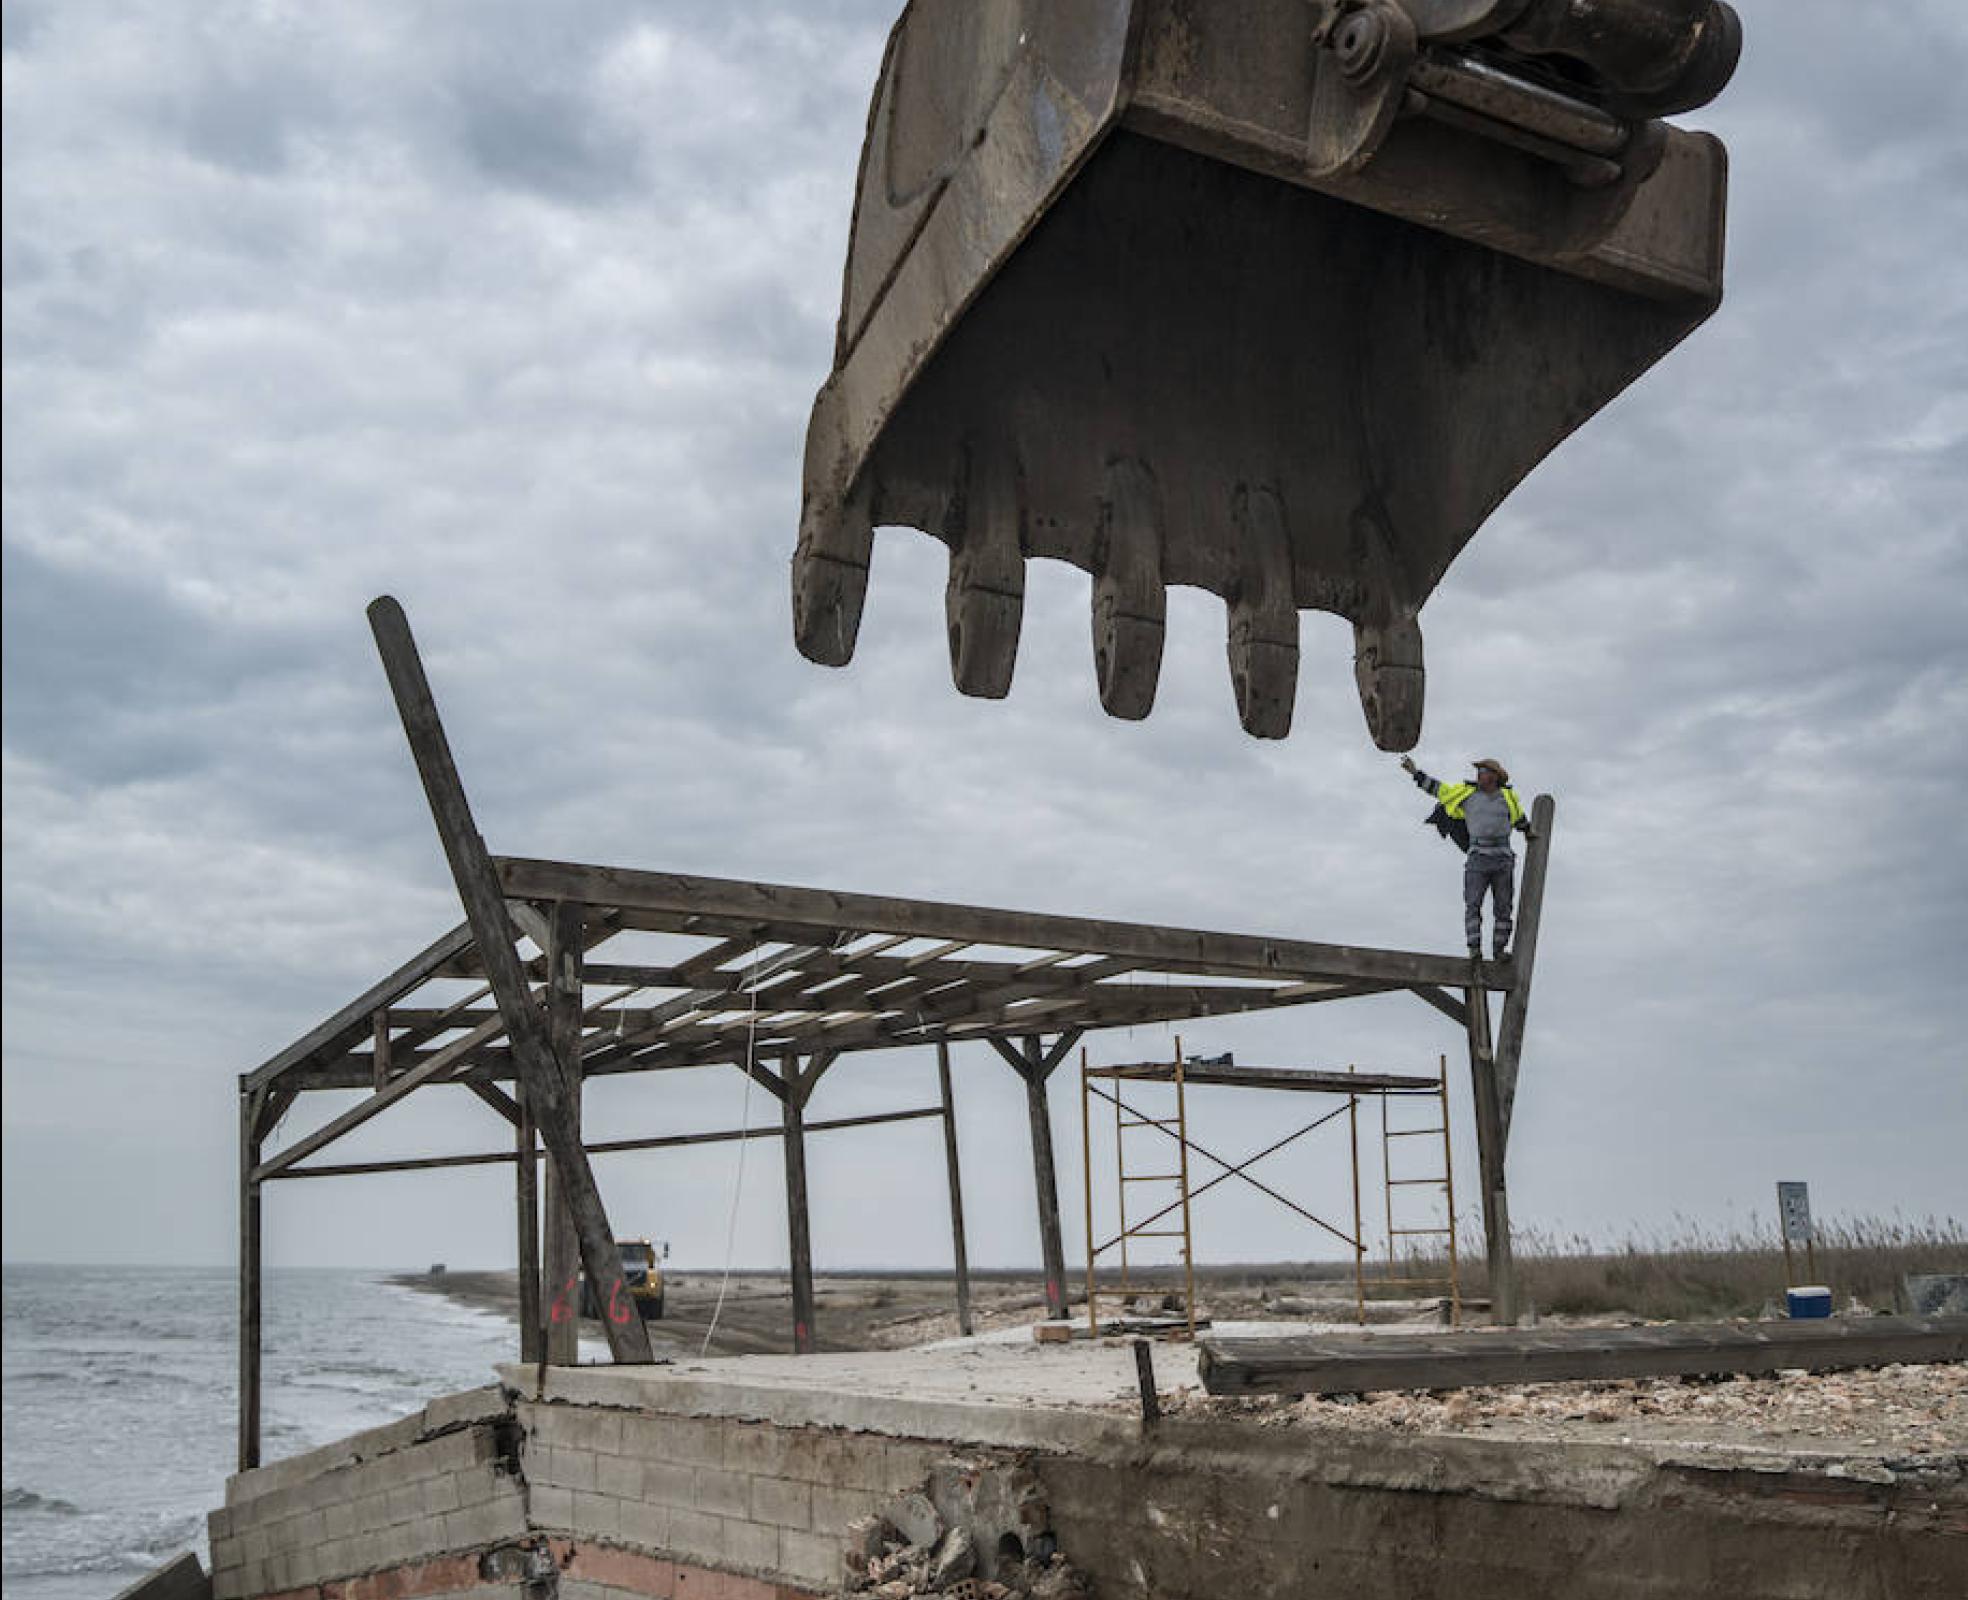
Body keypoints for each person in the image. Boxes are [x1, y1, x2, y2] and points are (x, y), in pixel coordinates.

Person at [1400, 755, 1536, 959]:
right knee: (1473, 903)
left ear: (1494, 776)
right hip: (1478, 858)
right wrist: (1415, 772)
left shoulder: (1508, 797)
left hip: (1503, 858)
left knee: (1503, 907)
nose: (1479, 775)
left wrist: (1527, 831)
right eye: (1478, 772)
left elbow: (1519, 818)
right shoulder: (1466, 794)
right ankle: (1474, 948)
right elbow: (1439, 790)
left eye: (1483, 772)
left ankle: (1499, 951)